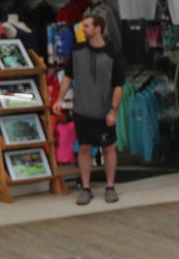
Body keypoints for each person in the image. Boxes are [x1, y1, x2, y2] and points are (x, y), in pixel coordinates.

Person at [52, 13, 125, 205]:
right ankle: (86, 188)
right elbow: (68, 76)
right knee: (84, 148)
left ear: (98, 28)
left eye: (86, 26)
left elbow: (119, 85)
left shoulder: (113, 54)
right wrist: (60, 99)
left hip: (103, 110)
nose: (82, 30)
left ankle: (110, 186)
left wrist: (113, 110)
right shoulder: (76, 51)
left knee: (108, 147)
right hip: (82, 109)